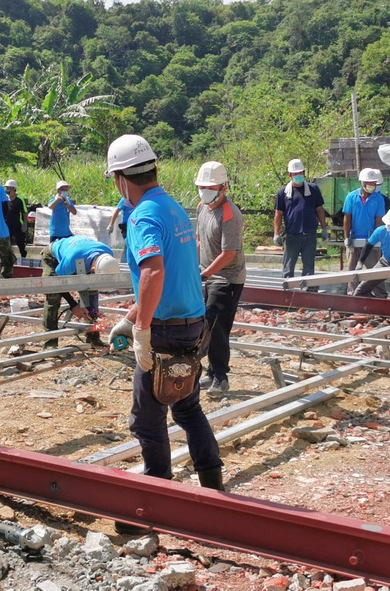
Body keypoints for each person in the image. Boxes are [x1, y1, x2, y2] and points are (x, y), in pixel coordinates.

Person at [105, 134, 224, 536]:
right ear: (153, 169)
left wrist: (141, 329)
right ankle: (214, 491)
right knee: (188, 408)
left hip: (165, 332)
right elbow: (172, 271)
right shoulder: (172, 207)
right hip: (192, 324)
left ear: (121, 178)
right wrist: (133, 313)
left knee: (147, 420)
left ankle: (154, 505)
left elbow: (153, 271)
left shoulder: (143, 217)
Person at [194, 161, 246, 397]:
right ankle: (211, 371)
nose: (205, 191)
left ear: (223, 187)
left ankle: (221, 377)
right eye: (202, 186)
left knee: (217, 327)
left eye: (210, 187)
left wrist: (204, 274)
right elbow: (199, 241)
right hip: (207, 274)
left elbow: (228, 254)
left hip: (227, 278)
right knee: (206, 324)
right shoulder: (202, 207)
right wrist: (194, 268)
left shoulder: (230, 215)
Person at [41, 235, 119, 349]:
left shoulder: (108, 255)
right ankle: (50, 342)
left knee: (92, 298)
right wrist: (73, 305)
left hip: (83, 256)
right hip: (53, 256)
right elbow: (57, 283)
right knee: (53, 296)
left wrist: (85, 301)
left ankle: (93, 338)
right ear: (93, 269)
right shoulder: (71, 260)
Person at [273, 158, 328, 283]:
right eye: (295, 173)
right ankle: (287, 290)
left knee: (309, 268)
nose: (298, 175)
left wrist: (324, 228)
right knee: (288, 266)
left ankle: (310, 290)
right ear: (290, 175)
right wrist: (276, 233)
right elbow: (278, 213)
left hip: (309, 234)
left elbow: (319, 209)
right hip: (292, 235)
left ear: (304, 173)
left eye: (300, 173)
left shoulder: (313, 189)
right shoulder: (283, 192)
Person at [342, 168, 386, 295]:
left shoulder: (378, 199)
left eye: (373, 183)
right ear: (362, 182)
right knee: (352, 271)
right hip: (354, 240)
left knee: (375, 271)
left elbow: (379, 220)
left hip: (370, 240)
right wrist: (346, 237)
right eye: (369, 183)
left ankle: (381, 296)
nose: (372, 185)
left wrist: (377, 240)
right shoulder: (351, 197)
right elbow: (347, 218)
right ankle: (352, 294)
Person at [3, 179, 28, 259]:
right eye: (6, 188)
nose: (7, 190)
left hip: (17, 224)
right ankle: (8, 258)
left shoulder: (19, 199)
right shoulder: (4, 199)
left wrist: (25, 224)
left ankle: (23, 256)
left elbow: (25, 212)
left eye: (8, 188)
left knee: (20, 242)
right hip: (7, 224)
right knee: (7, 242)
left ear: (13, 189)